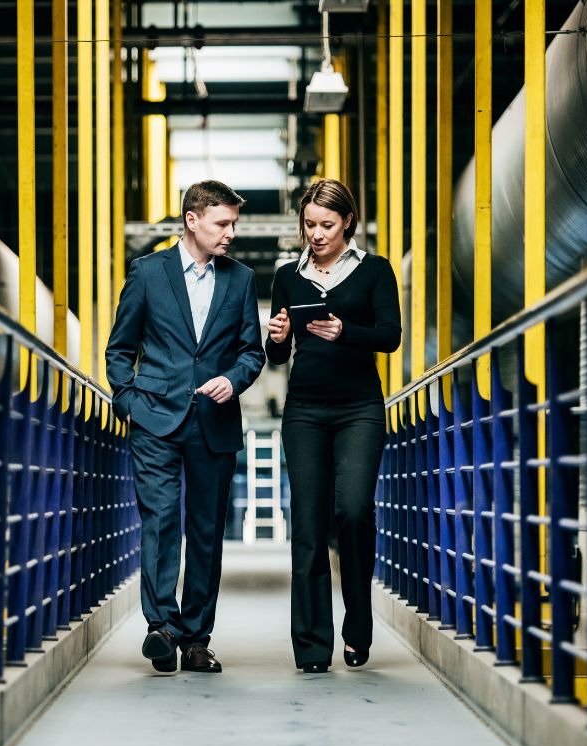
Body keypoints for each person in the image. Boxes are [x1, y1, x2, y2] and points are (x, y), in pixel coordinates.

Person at [106, 180, 266, 674]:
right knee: (160, 522)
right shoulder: (148, 273)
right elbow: (119, 349)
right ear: (192, 220)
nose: (231, 233)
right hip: (154, 417)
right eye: (223, 223)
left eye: (234, 224)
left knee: (205, 532)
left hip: (213, 421)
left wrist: (233, 381)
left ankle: (197, 638)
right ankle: (162, 627)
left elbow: (252, 352)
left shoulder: (240, 279)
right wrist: (128, 399)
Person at [264, 178, 401, 673]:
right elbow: (278, 356)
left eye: (326, 225)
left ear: (347, 222)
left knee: (354, 511)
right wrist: (277, 337)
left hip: (359, 407)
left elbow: (390, 337)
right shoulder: (288, 276)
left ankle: (359, 625)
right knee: (308, 523)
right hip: (304, 410)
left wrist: (346, 332)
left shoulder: (375, 272)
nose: (316, 234)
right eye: (309, 225)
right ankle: (311, 646)